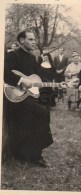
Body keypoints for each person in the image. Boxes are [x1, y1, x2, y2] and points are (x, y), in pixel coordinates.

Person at [3, 30, 53, 167]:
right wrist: (20, 80)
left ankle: (33, 153)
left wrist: (57, 83)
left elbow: (39, 76)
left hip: (27, 96)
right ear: (21, 40)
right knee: (42, 113)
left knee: (41, 114)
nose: (34, 42)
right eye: (30, 39)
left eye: (34, 39)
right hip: (13, 96)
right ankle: (34, 155)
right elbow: (5, 73)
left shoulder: (32, 58)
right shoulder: (12, 55)